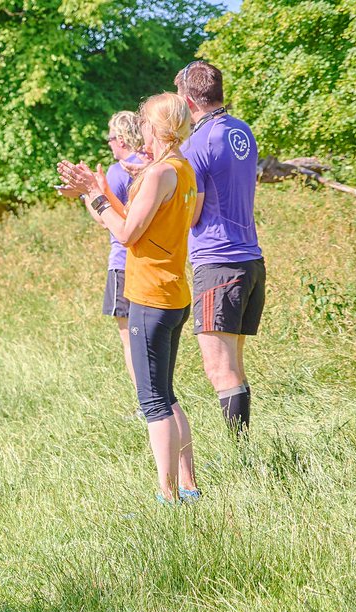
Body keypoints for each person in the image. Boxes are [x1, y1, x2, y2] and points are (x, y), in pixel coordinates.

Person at [58, 94, 200, 504]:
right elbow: (129, 221)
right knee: (168, 396)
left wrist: (96, 194)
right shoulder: (181, 169)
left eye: (144, 123)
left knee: (153, 400)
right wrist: (95, 191)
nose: (140, 130)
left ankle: (167, 496)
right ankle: (187, 488)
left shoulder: (159, 174)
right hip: (171, 293)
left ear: (159, 128)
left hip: (151, 296)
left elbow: (124, 234)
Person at [175, 61, 265, 433]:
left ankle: (239, 455)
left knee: (218, 367)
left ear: (187, 98)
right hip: (251, 260)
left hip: (217, 263)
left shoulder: (195, 143)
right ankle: (243, 444)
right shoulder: (242, 131)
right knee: (236, 363)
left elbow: (192, 213)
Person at [59, 111, 146, 389]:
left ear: (121, 138)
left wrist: (85, 193)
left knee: (130, 341)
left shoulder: (117, 171)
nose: (109, 144)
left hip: (123, 262)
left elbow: (102, 218)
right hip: (151, 261)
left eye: (110, 138)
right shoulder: (152, 164)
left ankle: (146, 404)